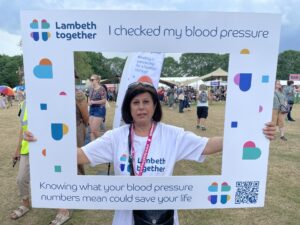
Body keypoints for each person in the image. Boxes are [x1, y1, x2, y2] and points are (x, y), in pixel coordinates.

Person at [25, 80, 275, 225]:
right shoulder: (117, 137)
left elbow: (208, 145)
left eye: (146, 101)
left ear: (155, 105)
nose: (141, 107)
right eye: (136, 102)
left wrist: (249, 135)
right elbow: (79, 156)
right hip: (126, 217)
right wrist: (42, 143)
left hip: (164, 217)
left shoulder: (172, 134)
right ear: (128, 108)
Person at [49, 72, 90, 225]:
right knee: (62, 163)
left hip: (75, 130)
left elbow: (86, 117)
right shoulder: (54, 93)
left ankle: (79, 190)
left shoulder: (78, 95)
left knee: (75, 161)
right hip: (58, 131)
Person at [10, 100, 31, 220]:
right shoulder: (24, 103)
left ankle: (62, 209)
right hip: (27, 148)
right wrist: (17, 149)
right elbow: (22, 128)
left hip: (46, 149)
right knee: (21, 179)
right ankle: (25, 204)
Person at [88, 74, 107, 141]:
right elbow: (89, 97)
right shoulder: (91, 89)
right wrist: (89, 102)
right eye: (90, 80)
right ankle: (92, 148)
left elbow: (104, 101)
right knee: (92, 131)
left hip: (99, 109)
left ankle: (104, 143)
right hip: (92, 109)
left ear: (97, 80)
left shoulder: (101, 88)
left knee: (94, 130)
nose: (91, 81)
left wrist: (93, 102)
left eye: (92, 80)